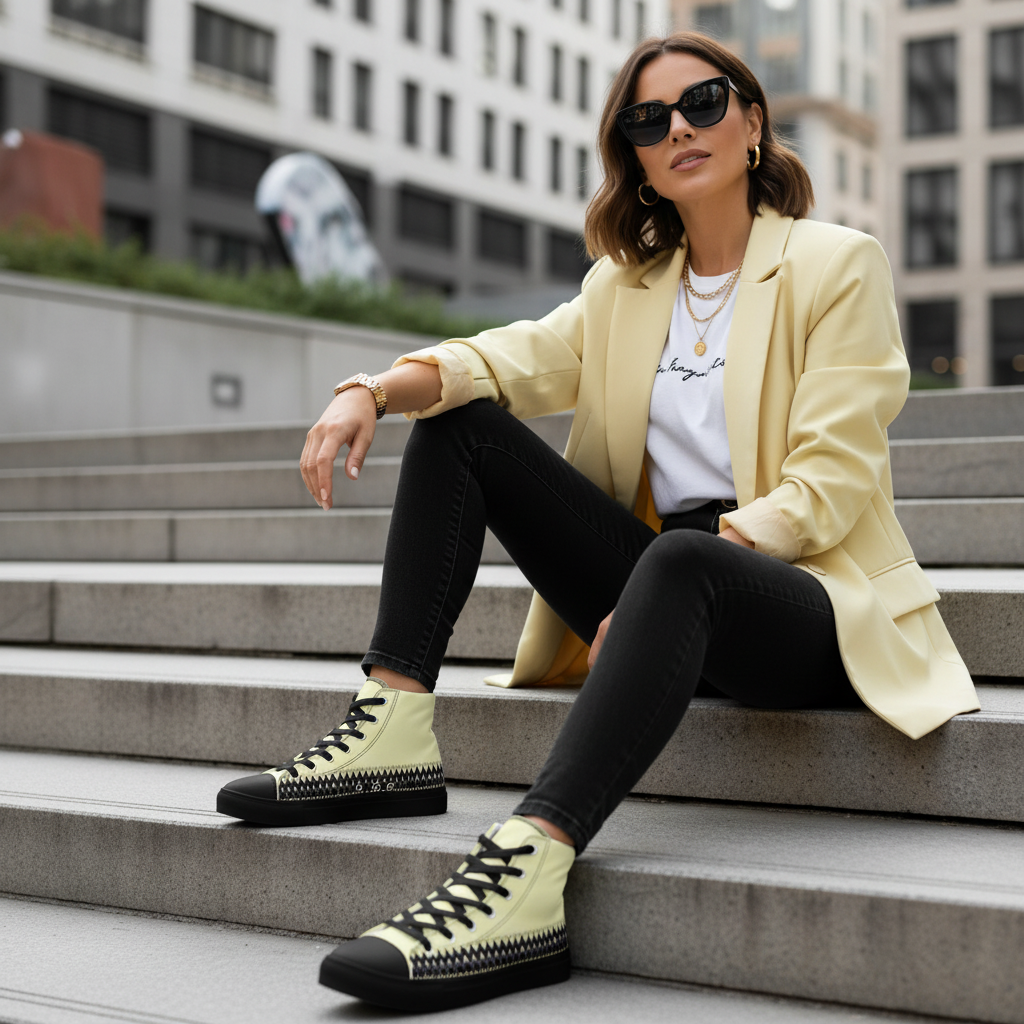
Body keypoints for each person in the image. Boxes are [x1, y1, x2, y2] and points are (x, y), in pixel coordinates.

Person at [217, 32, 980, 1013]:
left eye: (703, 102)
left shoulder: (837, 265)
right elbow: (504, 359)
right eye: (647, 119)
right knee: (461, 428)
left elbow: (831, 480)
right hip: (670, 587)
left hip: (806, 601)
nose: (679, 128)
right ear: (636, 159)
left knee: (678, 561)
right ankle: (393, 729)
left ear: (751, 124)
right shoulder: (626, 288)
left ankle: (529, 868)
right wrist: (372, 388)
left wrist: (700, 555)